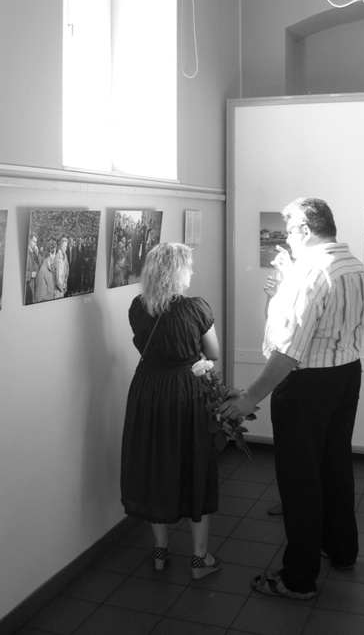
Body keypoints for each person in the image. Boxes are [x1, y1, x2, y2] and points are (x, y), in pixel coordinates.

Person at [219, 197, 364, 599]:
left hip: (306, 384)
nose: (286, 238)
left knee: (299, 479)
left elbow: (288, 352)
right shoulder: (354, 266)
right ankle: (341, 549)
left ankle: (298, 579)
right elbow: (336, 320)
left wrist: (249, 397)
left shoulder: (310, 273)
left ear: (305, 229)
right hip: (346, 375)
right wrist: (286, 287)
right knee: (334, 465)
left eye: (289, 230)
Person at [120, 242, 222, 580]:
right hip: (184, 391)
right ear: (178, 272)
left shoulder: (137, 307)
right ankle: (199, 559)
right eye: (188, 267)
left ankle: (161, 551)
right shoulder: (196, 308)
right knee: (195, 463)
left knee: (155, 462)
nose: (192, 272)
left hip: (147, 390)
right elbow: (212, 352)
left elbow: (145, 345)